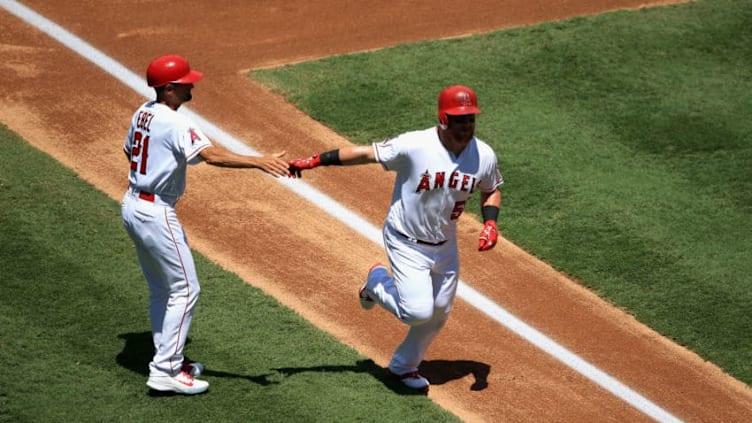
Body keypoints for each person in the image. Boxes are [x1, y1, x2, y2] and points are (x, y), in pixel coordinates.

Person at [287, 85, 503, 393]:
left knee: (439, 311)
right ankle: (375, 284)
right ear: (443, 119)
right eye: (460, 119)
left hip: (445, 244)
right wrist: (313, 162)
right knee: (417, 312)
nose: (466, 125)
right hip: (406, 240)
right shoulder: (414, 145)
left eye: (470, 119)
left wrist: (491, 224)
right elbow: (364, 153)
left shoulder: (484, 155)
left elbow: (491, 188)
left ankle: (403, 366)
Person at [121, 54, 290, 395]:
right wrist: (259, 161)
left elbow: (129, 151)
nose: (191, 85)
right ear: (168, 89)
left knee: (162, 290)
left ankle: (169, 357)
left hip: (132, 204)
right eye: (185, 83)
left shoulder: (143, 112)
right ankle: (165, 369)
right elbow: (211, 156)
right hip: (156, 212)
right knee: (185, 289)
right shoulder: (176, 123)